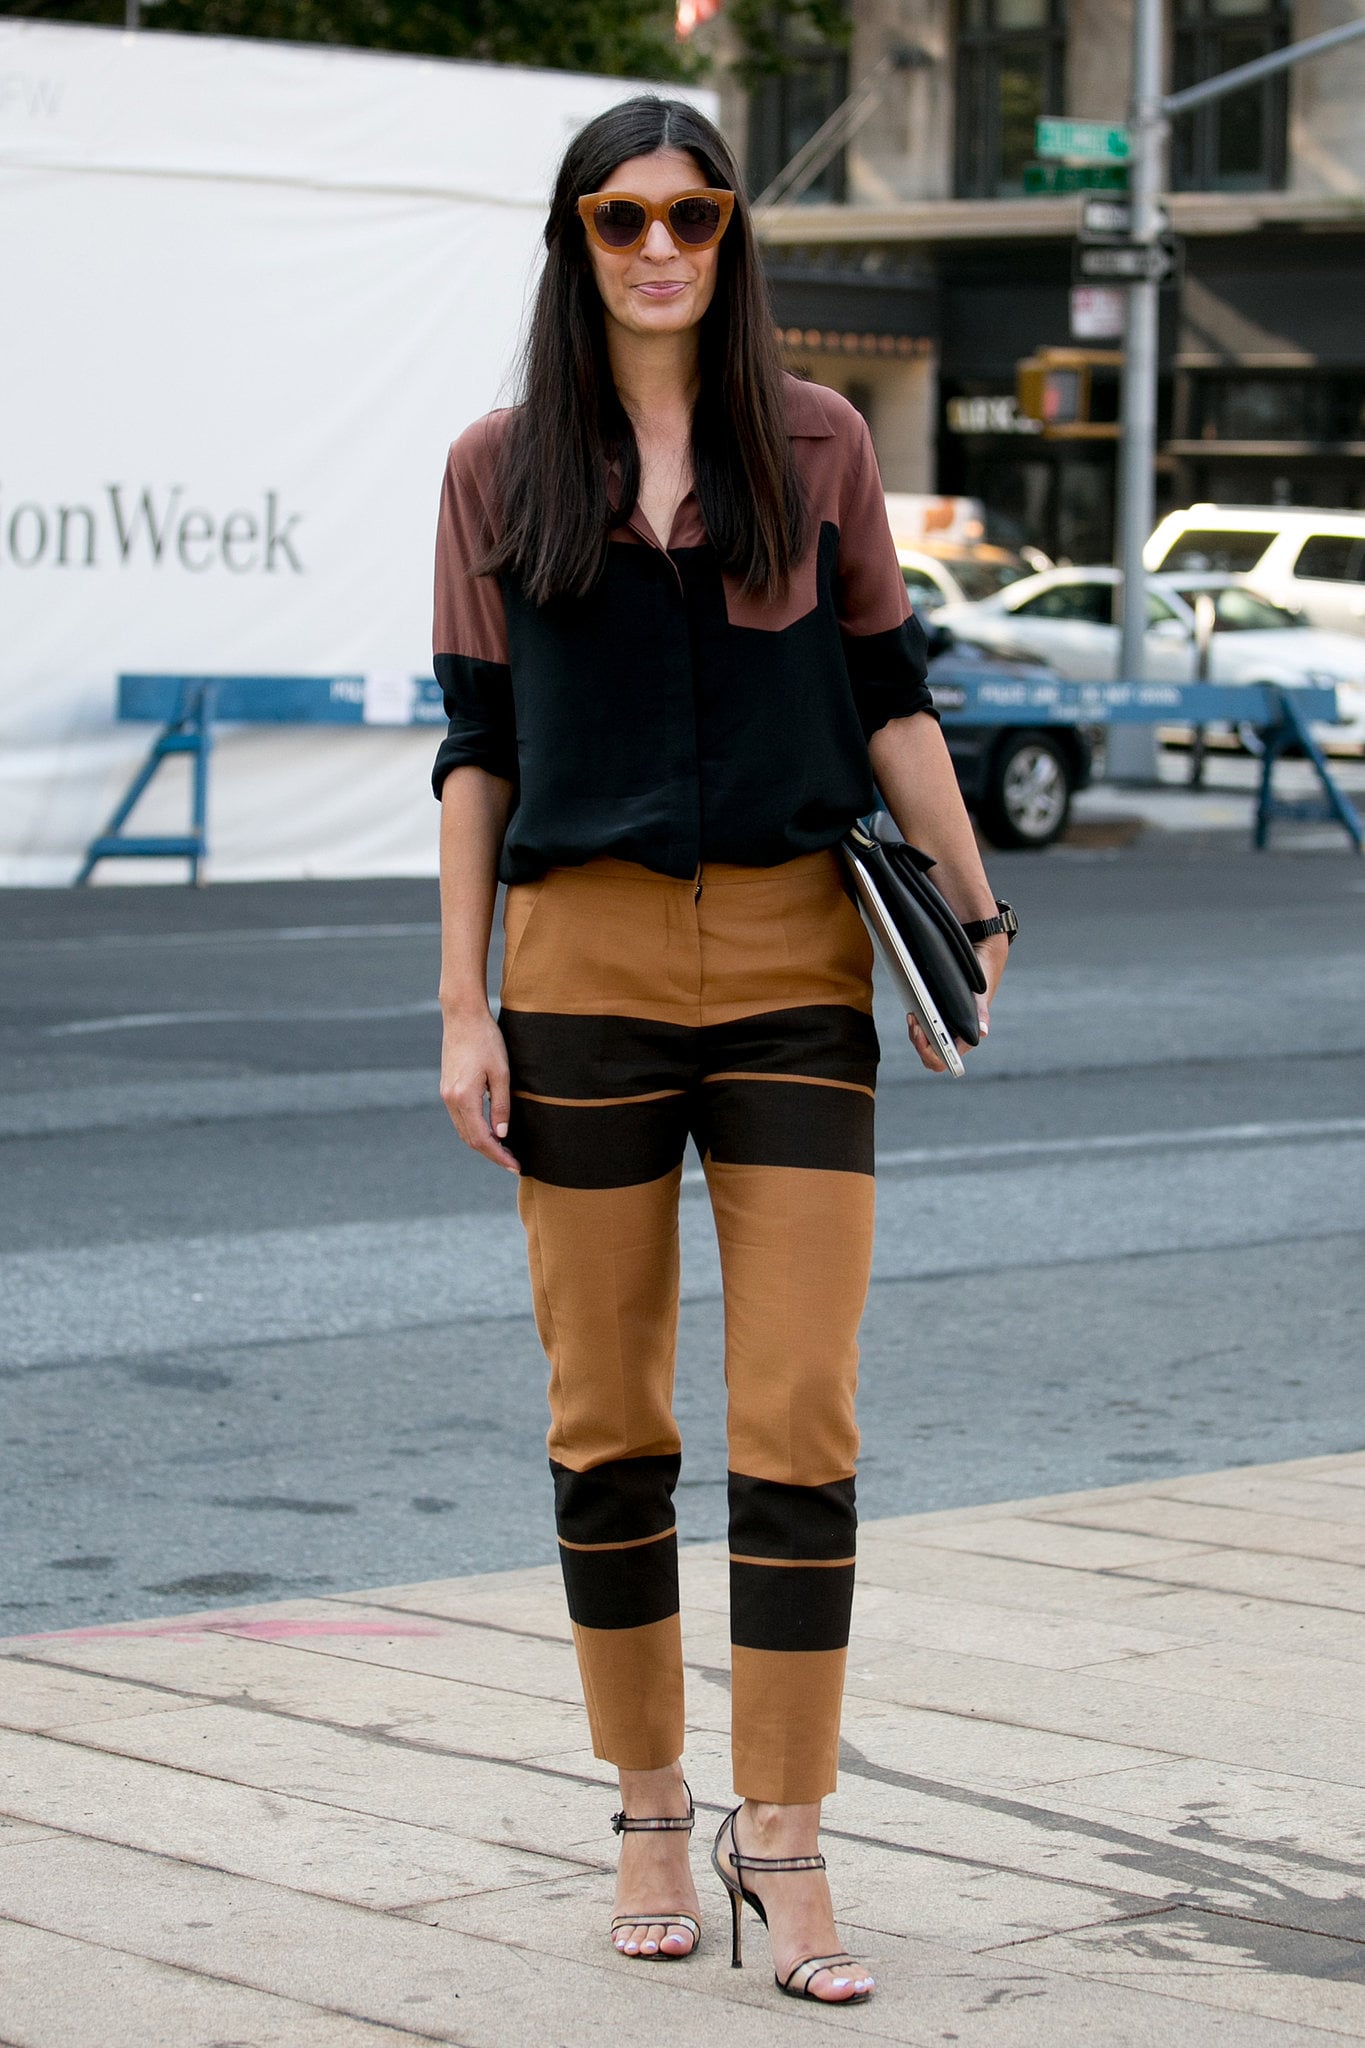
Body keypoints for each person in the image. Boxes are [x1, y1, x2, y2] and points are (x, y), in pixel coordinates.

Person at [432, 95, 1011, 2008]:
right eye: (621, 216)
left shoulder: (820, 442)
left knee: (800, 1416)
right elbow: (476, 752)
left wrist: (968, 904)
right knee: (608, 1417)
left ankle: (791, 1839)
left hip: (788, 957)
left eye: (693, 212)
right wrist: (459, 1004)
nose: (660, 243)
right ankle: (650, 1807)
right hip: (578, 961)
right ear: (574, 238)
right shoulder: (497, 470)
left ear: (733, 233)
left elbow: (884, 694)